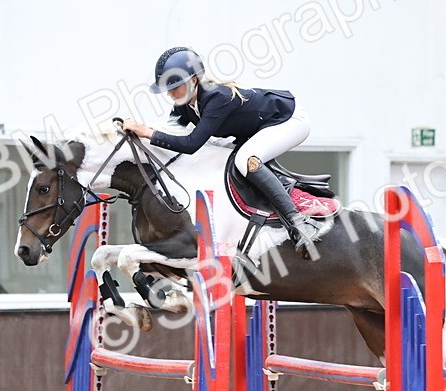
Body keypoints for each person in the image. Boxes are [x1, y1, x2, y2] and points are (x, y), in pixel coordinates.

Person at [120, 46, 321, 255]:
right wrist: (138, 137)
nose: (170, 93)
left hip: (289, 120)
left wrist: (146, 132)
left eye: (175, 86)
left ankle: (300, 224)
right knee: (219, 156)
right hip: (259, 128)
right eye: (167, 89)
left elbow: (190, 144)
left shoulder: (217, 97)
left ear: (193, 80)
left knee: (245, 160)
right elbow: (169, 135)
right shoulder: (184, 104)